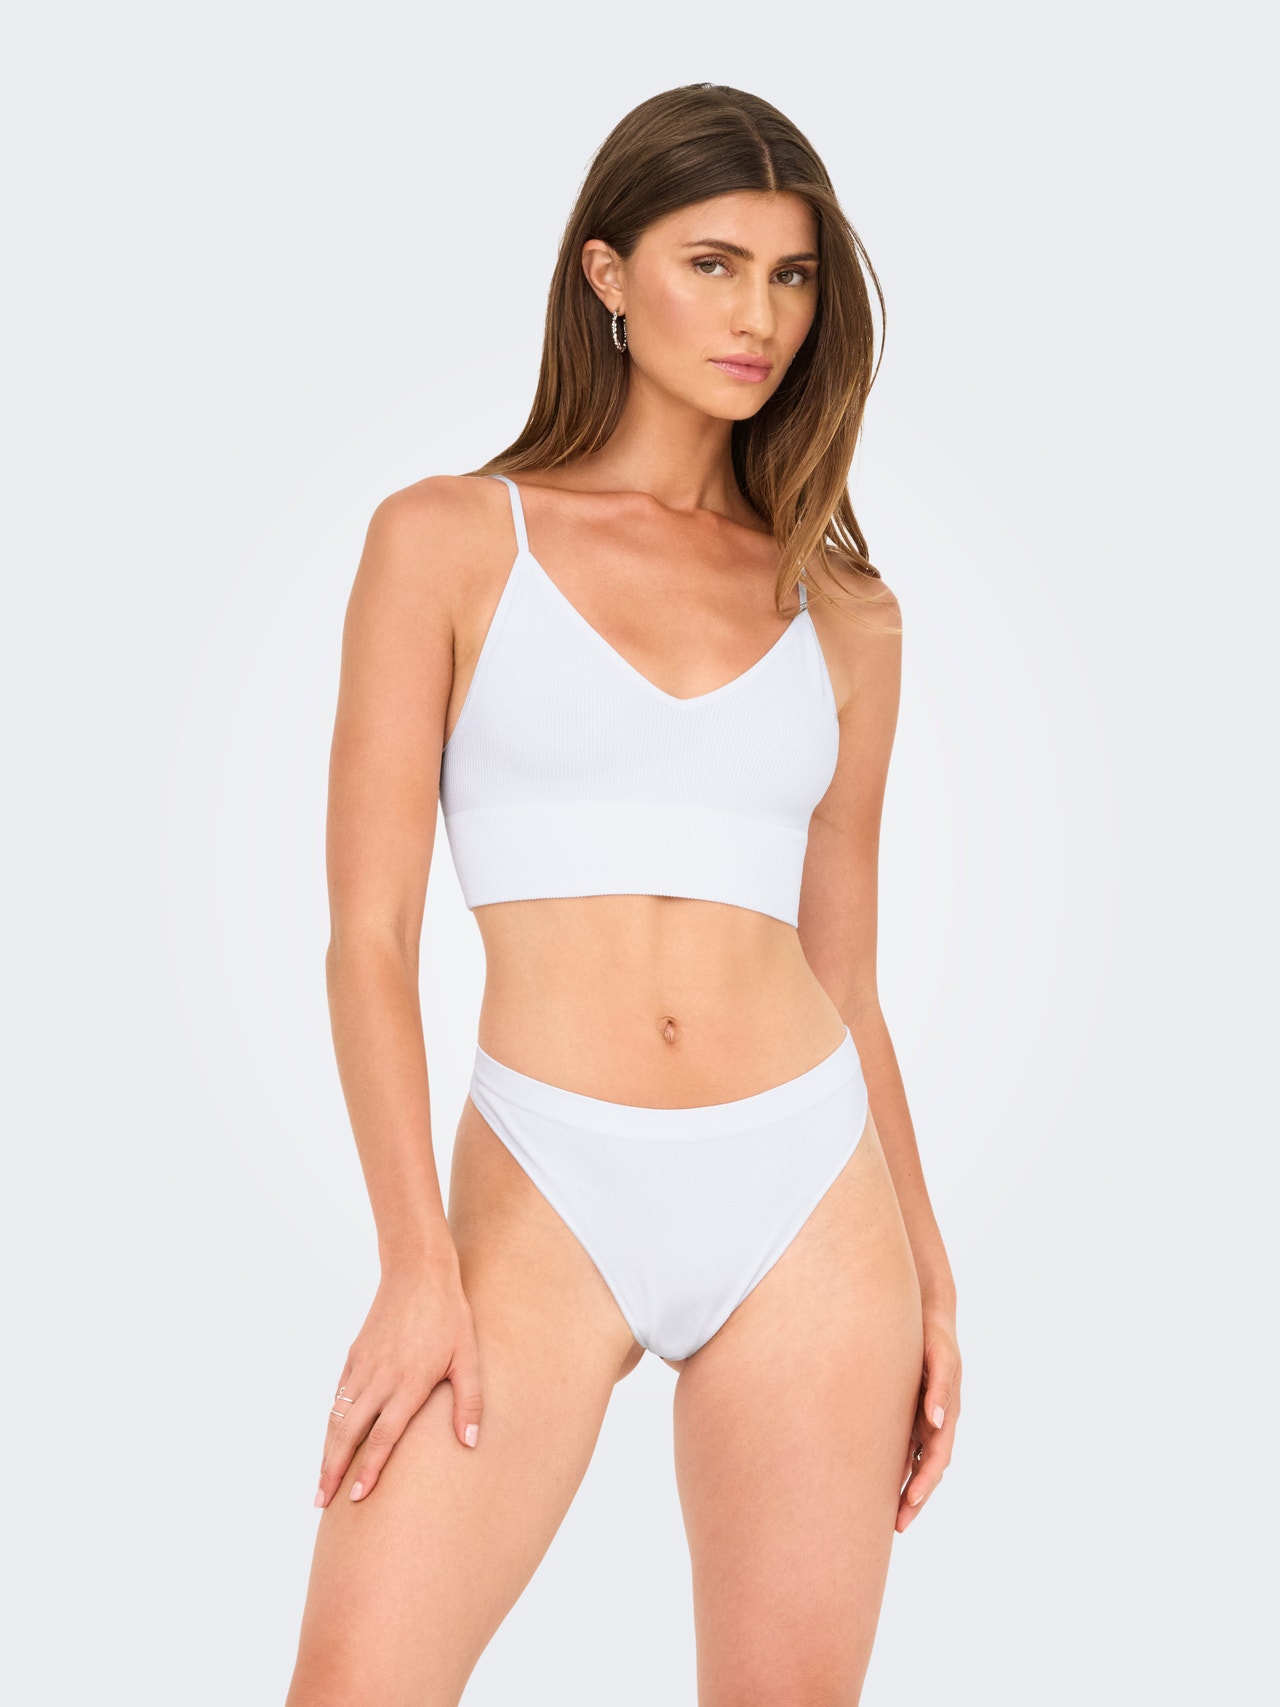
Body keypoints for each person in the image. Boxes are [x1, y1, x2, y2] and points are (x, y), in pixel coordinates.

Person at [285, 81, 961, 1707]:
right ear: (607, 274)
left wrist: (934, 1276)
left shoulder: (846, 611)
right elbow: (368, 938)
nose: (758, 318)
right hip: (540, 1187)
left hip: (810, 1193)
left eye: (791, 277)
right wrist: (413, 1261)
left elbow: (848, 977)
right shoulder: (450, 541)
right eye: (711, 265)